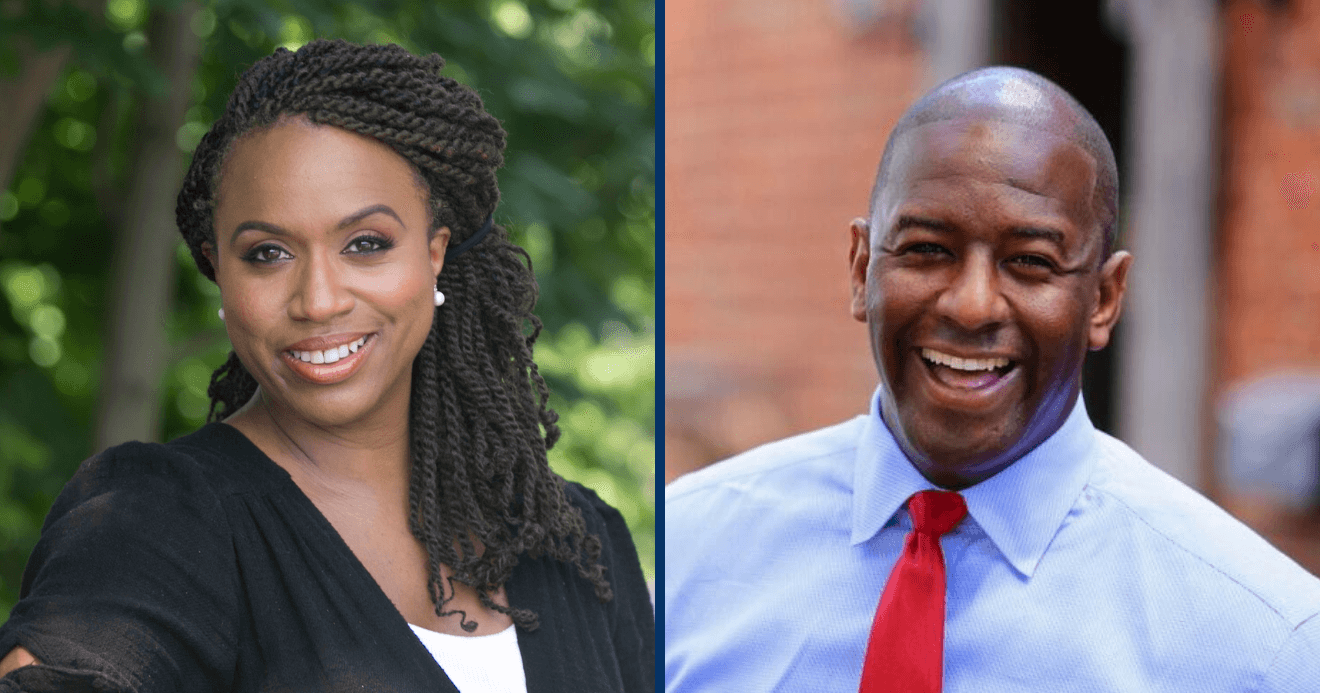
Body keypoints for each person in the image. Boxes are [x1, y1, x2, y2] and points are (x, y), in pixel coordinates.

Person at [0, 39, 653, 693]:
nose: (318, 301)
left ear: (434, 254)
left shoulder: (575, 540)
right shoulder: (158, 520)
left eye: (365, 244)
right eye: (268, 253)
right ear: (218, 270)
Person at [664, 66, 1320, 692]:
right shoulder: (685, 554)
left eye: (1031, 261)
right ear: (862, 269)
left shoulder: (1264, 648)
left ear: (1103, 298)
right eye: (927, 249)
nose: (971, 306)